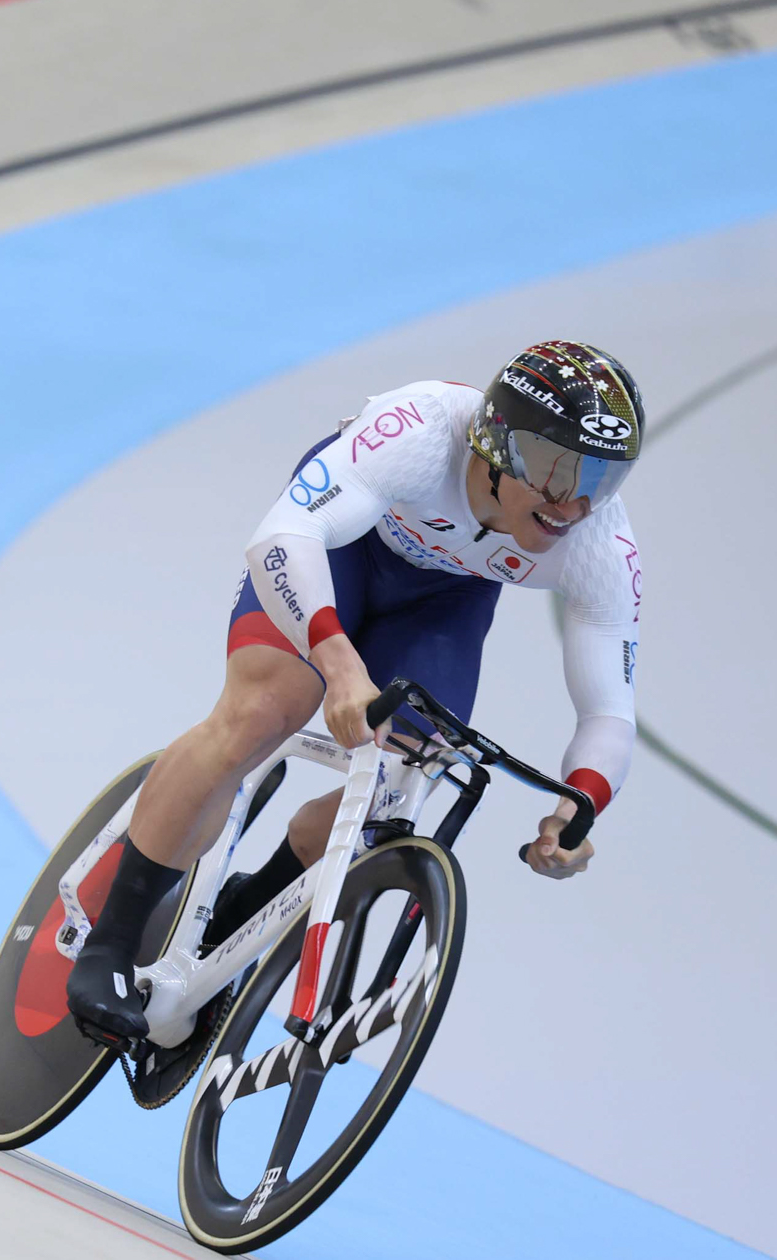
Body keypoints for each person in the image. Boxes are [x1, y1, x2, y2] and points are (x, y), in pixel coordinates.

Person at [66, 340, 646, 1043]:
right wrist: (338, 668)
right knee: (265, 710)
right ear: (497, 447)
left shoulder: (598, 544)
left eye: (603, 479)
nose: (576, 504)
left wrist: (578, 807)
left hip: (443, 602)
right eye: (560, 471)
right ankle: (110, 941)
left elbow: (609, 709)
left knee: (396, 787)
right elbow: (284, 535)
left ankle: (246, 908)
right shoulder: (422, 433)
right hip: (338, 546)